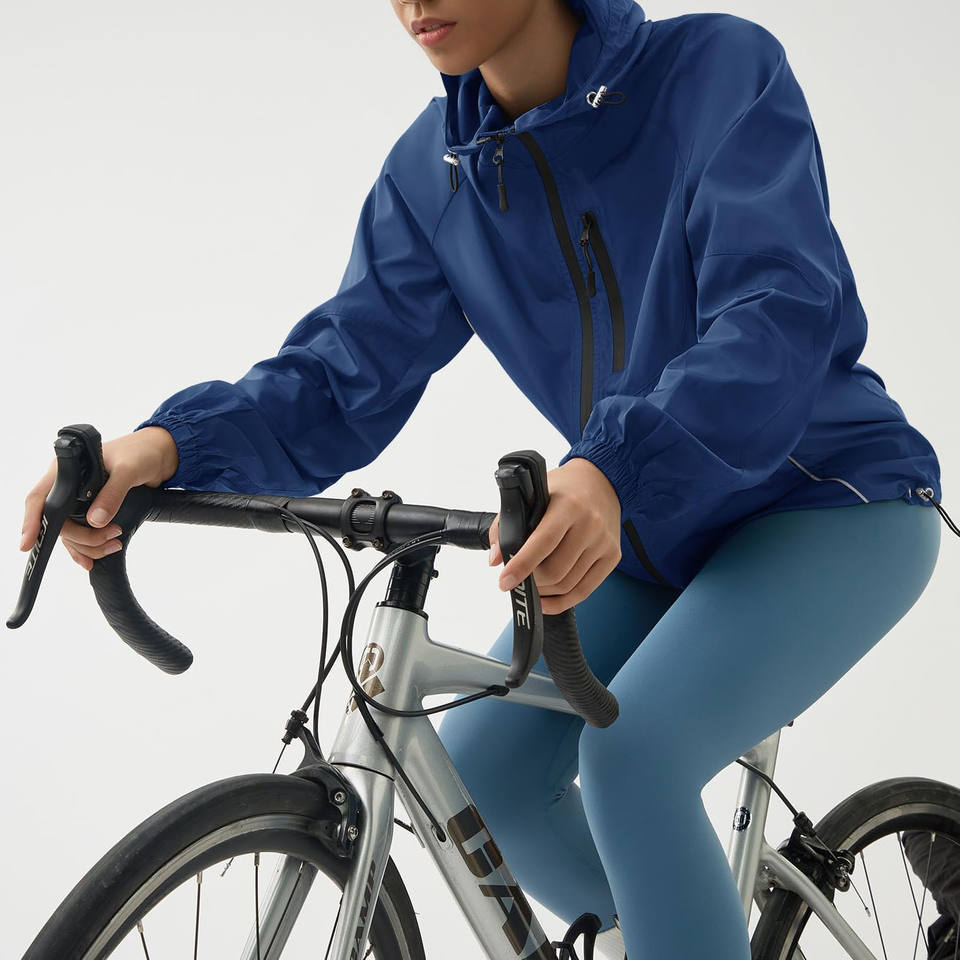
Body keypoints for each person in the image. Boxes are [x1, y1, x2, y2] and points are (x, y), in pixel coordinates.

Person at [18, 1, 958, 957]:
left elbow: (776, 314)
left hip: (832, 501)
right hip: (644, 532)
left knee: (635, 760)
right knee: (483, 780)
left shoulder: (717, 72)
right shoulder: (439, 172)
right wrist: (168, 445)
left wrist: (612, 466)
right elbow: (342, 372)